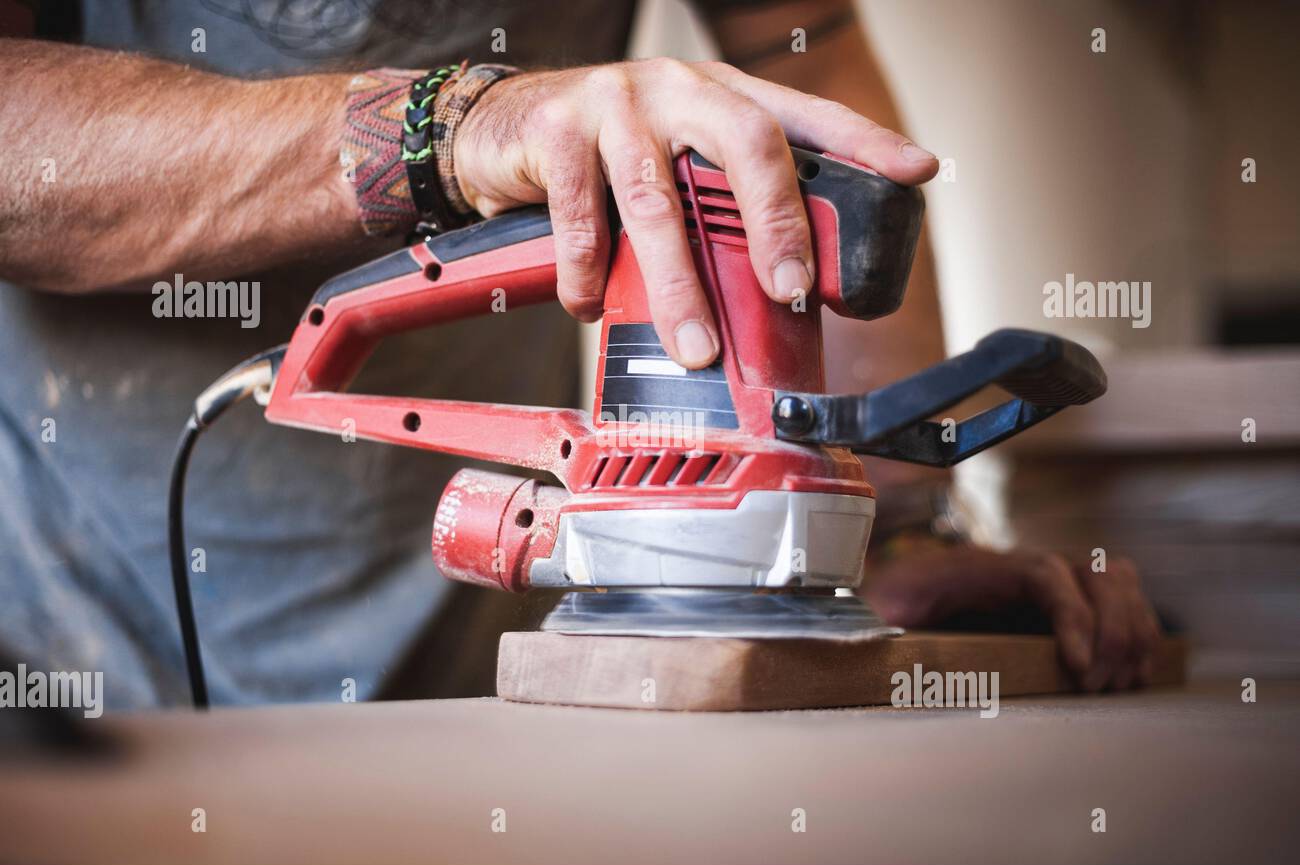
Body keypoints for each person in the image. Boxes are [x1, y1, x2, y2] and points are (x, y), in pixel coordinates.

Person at [0, 0, 1161, 708]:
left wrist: (891, 524)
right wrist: (458, 129)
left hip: (497, 675)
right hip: (90, 638)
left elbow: (807, 58)